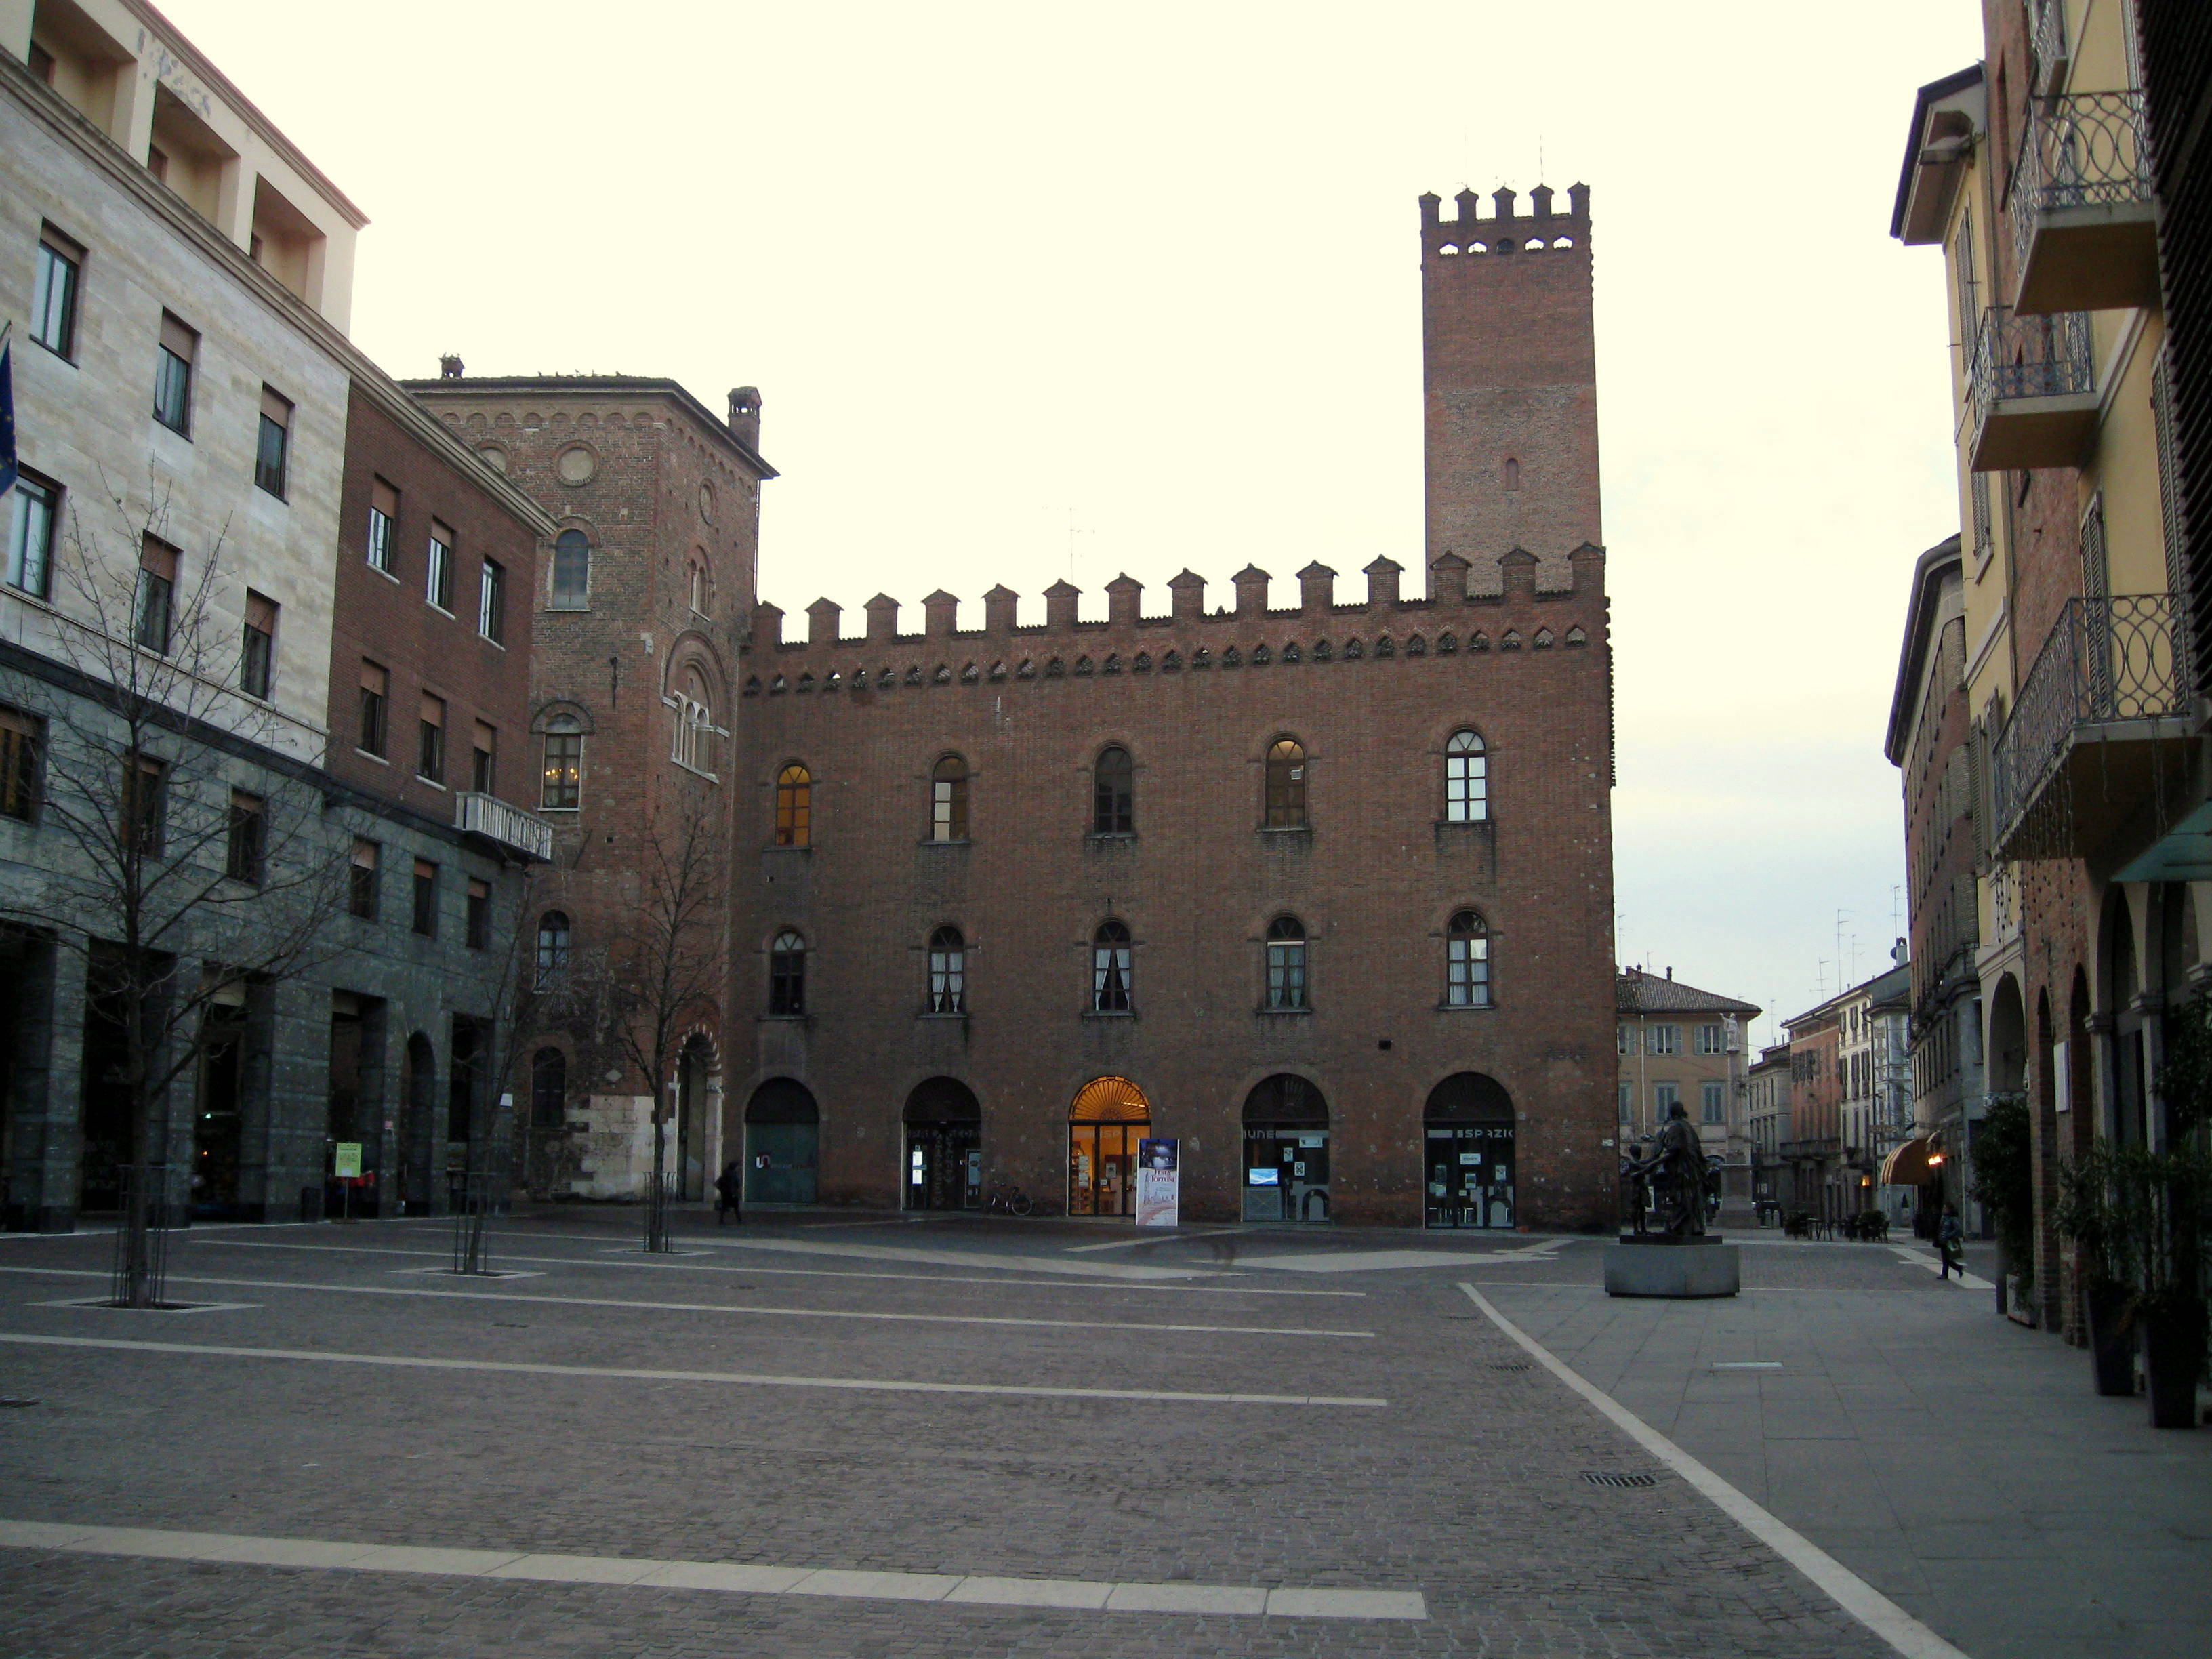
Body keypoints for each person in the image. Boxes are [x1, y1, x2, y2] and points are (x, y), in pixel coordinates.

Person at [1936, 1202, 1963, 1279]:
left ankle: (1951, 1271)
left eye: (1945, 1208)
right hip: (1943, 1240)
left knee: (1947, 1259)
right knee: (1946, 1259)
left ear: (1949, 1209)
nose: (1944, 1209)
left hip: (1949, 1241)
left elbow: (1958, 1229)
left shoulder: (1953, 1219)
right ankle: (1955, 1269)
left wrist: (1950, 1235)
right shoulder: (1944, 1217)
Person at [714, 1159, 744, 1226]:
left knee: (724, 1207)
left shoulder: (725, 1173)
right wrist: (734, 1193)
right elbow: (736, 1184)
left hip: (725, 1193)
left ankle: (721, 1219)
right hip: (732, 1194)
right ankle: (740, 1219)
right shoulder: (734, 1174)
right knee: (736, 1207)